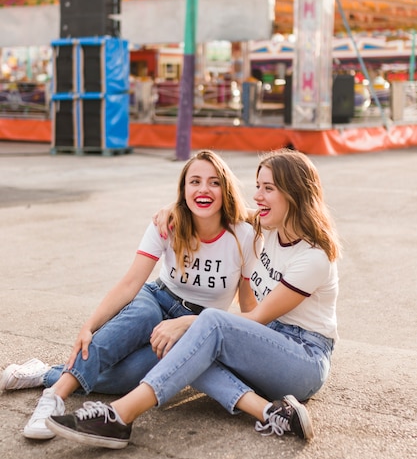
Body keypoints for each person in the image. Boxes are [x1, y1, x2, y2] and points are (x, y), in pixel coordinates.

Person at [44, 148, 340, 449]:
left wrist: (188, 322)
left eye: (268, 189)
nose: (258, 196)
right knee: (194, 351)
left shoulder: (313, 257)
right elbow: (225, 210)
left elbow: (258, 317)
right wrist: (174, 208)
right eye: (258, 186)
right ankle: (272, 413)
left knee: (206, 325)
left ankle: (119, 416)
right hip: (271, 345)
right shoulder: (269, 226)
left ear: (295, 193)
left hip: (303, 359)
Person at [1, 149, 260, 440]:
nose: (203, 189)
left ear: (226, 189)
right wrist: (89, 327)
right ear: (183, 190)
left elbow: (249, 304)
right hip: (157, 298)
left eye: (214, 182)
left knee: (125, 377)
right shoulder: (168, 224)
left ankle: (44, 372)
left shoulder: (244, 236)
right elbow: (130, 283)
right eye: (195, 181)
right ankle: (54, 396)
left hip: (195, 325)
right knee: (142, 313)